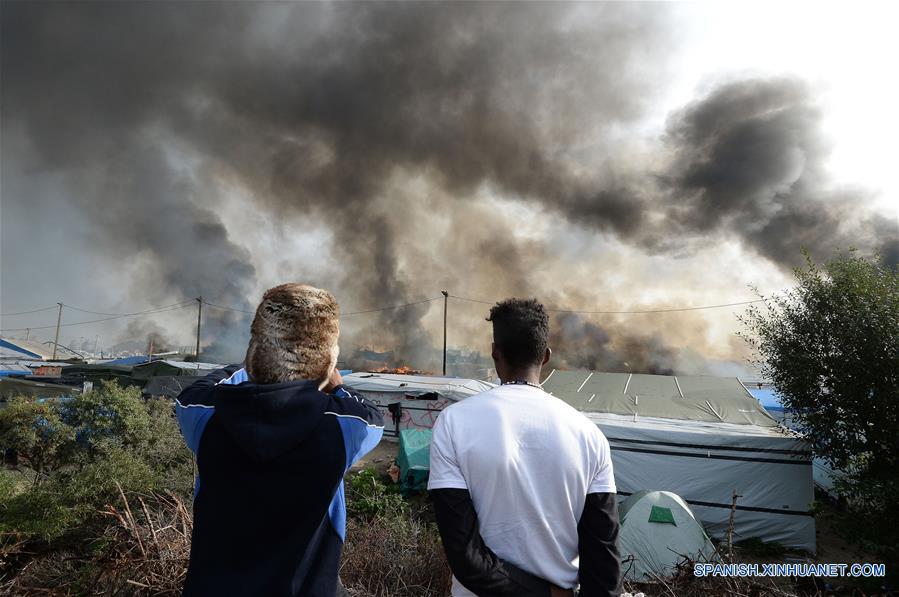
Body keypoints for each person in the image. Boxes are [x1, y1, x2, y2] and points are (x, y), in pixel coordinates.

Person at [175, 284, 383, 596]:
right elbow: (371, 413)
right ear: (328, 361)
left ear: (255, 353)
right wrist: (334, 383)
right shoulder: (344, 427)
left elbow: (194, 391)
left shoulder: (206, 416)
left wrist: (251, 362)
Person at [428, 298, 621, 597]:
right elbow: (604, 563)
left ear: (495, 353)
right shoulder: (590, 436)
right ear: (545, 357)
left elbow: (464, 554)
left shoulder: (453, 423)